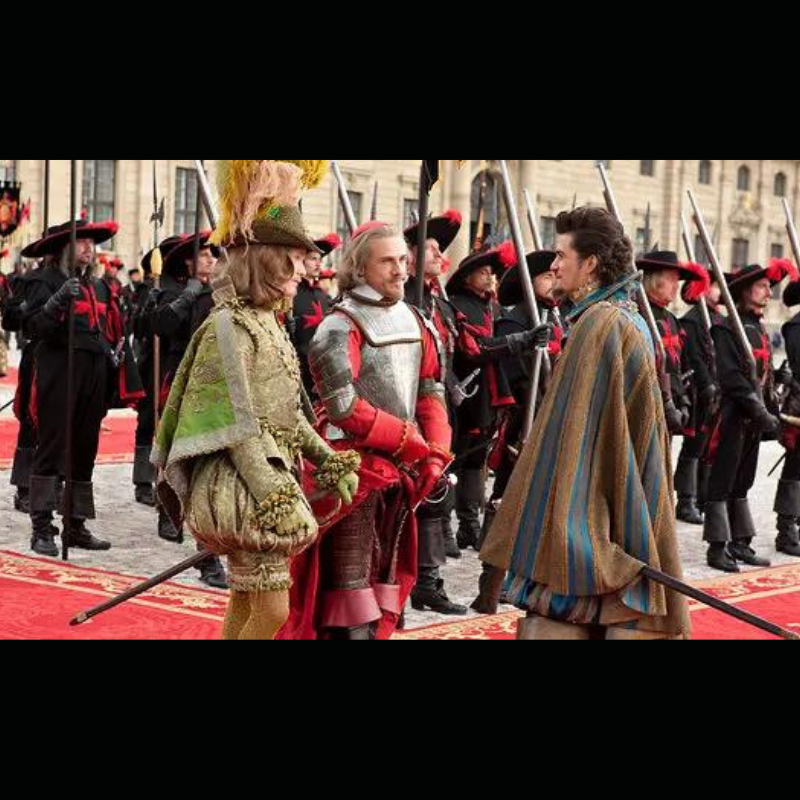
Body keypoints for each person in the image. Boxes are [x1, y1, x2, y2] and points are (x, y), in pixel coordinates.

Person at [154, 158, 359, 640]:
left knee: (248, 601)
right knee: (270, 611)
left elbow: (289, 410)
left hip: (270, 477)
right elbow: (236, 424)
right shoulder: (229, 327)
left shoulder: (269, 322)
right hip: (245, 490)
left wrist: (327, 459)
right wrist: (274, 493)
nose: (303, 271)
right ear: (268, 260)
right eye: (293, 260)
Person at [480, 207, 690, 640]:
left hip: (592, 513)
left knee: (568, 614)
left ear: (591, 262)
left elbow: (584, 443)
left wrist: (574, 527)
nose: (553, 264)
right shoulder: (608, 317)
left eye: (561, 255)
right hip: (606, 509)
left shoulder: (603, 324)